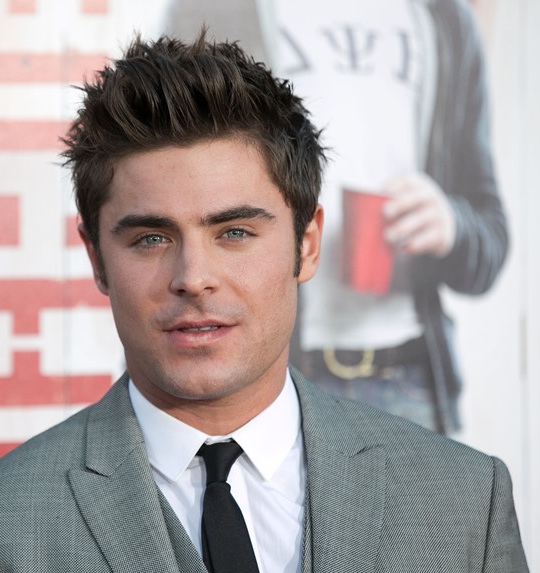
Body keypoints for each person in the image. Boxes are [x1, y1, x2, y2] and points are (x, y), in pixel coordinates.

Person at [0, 32, 533, 573]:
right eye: (151, 238)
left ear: (306, 244)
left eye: (234, 232)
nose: (193, 276)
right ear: (97, 259)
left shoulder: (463, 499)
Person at [163, 0, 507, 435]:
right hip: (267, 384)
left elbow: (490, 237)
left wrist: (452, 225)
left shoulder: (445, 19)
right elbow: (164, 191)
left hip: (411, 380)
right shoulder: (215, 9)